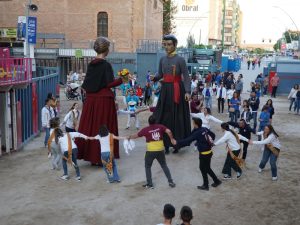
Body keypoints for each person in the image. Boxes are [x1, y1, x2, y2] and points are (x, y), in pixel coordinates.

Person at [77, 37, 128, 165]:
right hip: (104, 101)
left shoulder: (91, 64)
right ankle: (102, 156)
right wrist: (122, 79)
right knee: (103, 127)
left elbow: (88, 84)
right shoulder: (106, 65)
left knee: (91, 127)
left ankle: (91, 156)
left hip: (91, 101)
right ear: (106, 50)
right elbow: (109, 84)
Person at [151, 34, 191, 154]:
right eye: (165, 44)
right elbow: (160, 75)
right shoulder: (162, 59)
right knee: (163, 116)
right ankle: (166, 144)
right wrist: (155, 77)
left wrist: (188, 92)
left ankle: (177, 144)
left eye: (169, 44)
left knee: (177, 117)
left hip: (177, 90)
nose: (167, 47)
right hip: (165, 91)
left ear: (175, 45)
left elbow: (187, 77)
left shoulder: (180, 60)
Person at [173, 118, 222, 190]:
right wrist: (209, 143)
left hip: (204, 154)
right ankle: (216, 181)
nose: (192, 124)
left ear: (196, 124)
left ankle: (206, 185)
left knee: (203, 168)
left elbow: (188, 140)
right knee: (206, 168)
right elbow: (213, 135)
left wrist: (177, 142)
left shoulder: (197, 133)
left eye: (193, 123)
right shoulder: (204, 129)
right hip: (208, 152)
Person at [128, 115, 176, 189]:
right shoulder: (160, 126)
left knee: (148, 166)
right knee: (164, 165)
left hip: (150, 151)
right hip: (160, 150)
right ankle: (170, 181)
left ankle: (150, 184)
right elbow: (169, 131)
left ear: (149, 122)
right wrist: (172, 139)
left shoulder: (145, 129)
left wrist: (129, 137)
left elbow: (136, 135)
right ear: (155, 121)